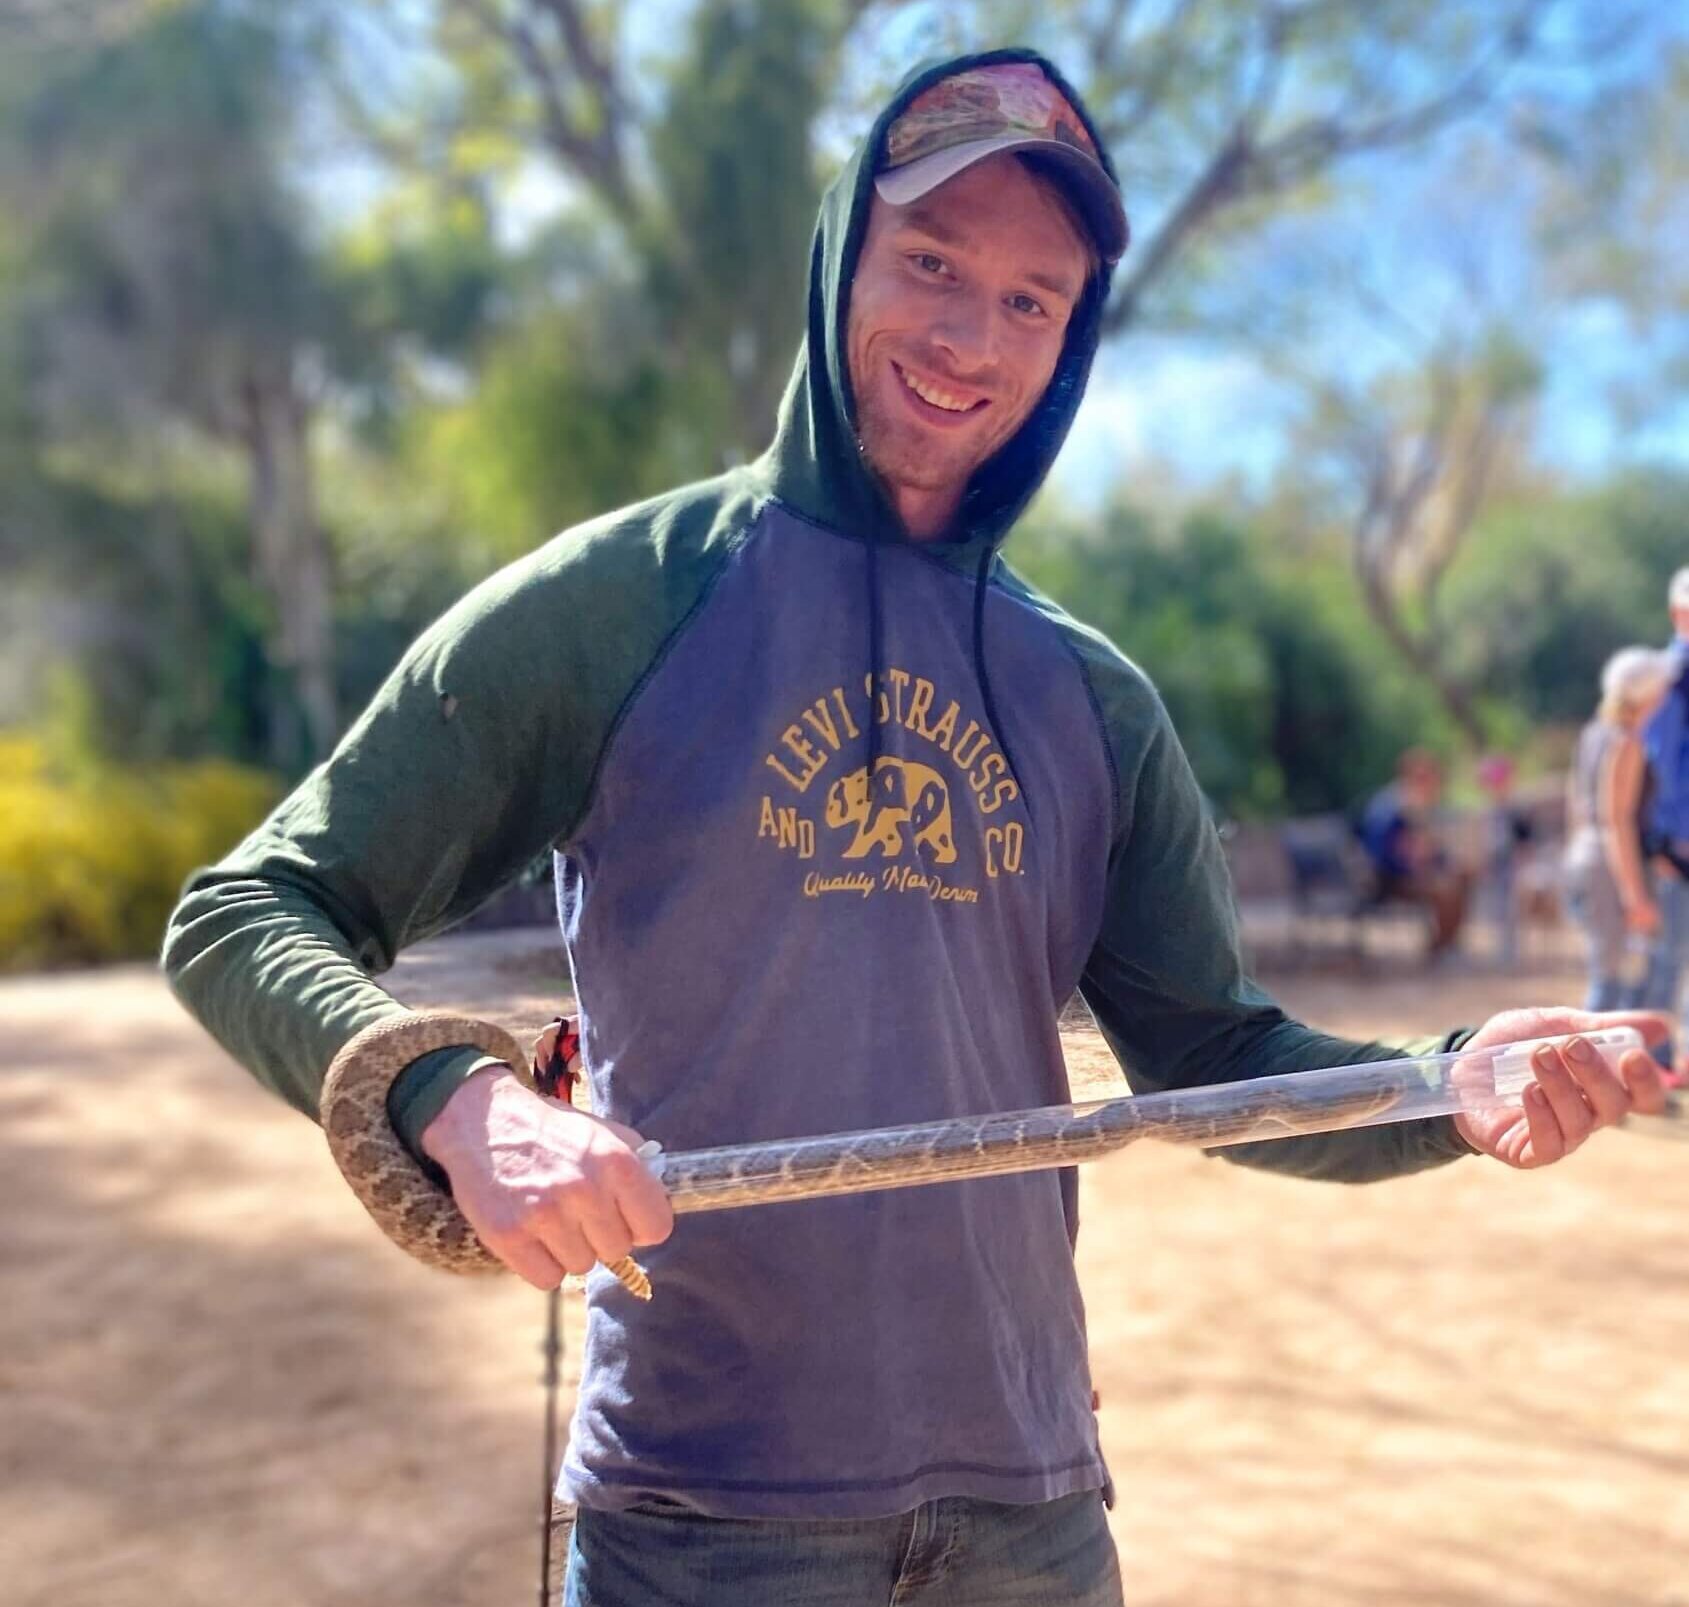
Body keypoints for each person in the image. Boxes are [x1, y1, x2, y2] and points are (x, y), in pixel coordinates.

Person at [161, 51, 1667, 1607]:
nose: (972, 338)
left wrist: (1450, 1082)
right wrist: (461, 1104)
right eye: (932, 263)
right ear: (841, 260)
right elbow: (249, 906)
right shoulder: (628, 600)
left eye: (1034, 300)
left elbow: (1214, 1057)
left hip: (1033, 1514)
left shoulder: (1090, 694)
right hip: (702, 1515)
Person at [1563, 648, 1676, 1010]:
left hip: (1585, 853)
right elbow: (1617, 820)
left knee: (1608, 972)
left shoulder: (1594, 732)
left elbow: (1577, 805)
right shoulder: (1626, 741)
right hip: (1608, 863)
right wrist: (1634, 895)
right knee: (1612, 980)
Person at [1638, 567, 1689, 1062]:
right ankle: (1654, 1061)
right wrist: (1661, 841)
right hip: (1675, 843)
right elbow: (1657, 766)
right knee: (1668, 957)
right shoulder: (1670, 679)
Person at [1357, 748, 1473, 957]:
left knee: (1463, 877)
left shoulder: (1420, 807)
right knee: (1446, 889)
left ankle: (1445, 943)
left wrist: (1445, 863)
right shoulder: (1390, 808)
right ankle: (1441, 948)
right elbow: (1384, 856)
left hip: (1411, 875)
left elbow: (1433, 851)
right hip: (1387, 880)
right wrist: (1418, 868)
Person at [1477, 753, 1534, 969]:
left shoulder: (1516, 808)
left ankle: (1511, 950)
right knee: (1495, 906)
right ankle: (1499, 948)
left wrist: (1522, 858)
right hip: (1495, 862)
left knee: (1511, 907)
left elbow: (1525, 838)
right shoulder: (1488, 809)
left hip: (1511, 862)